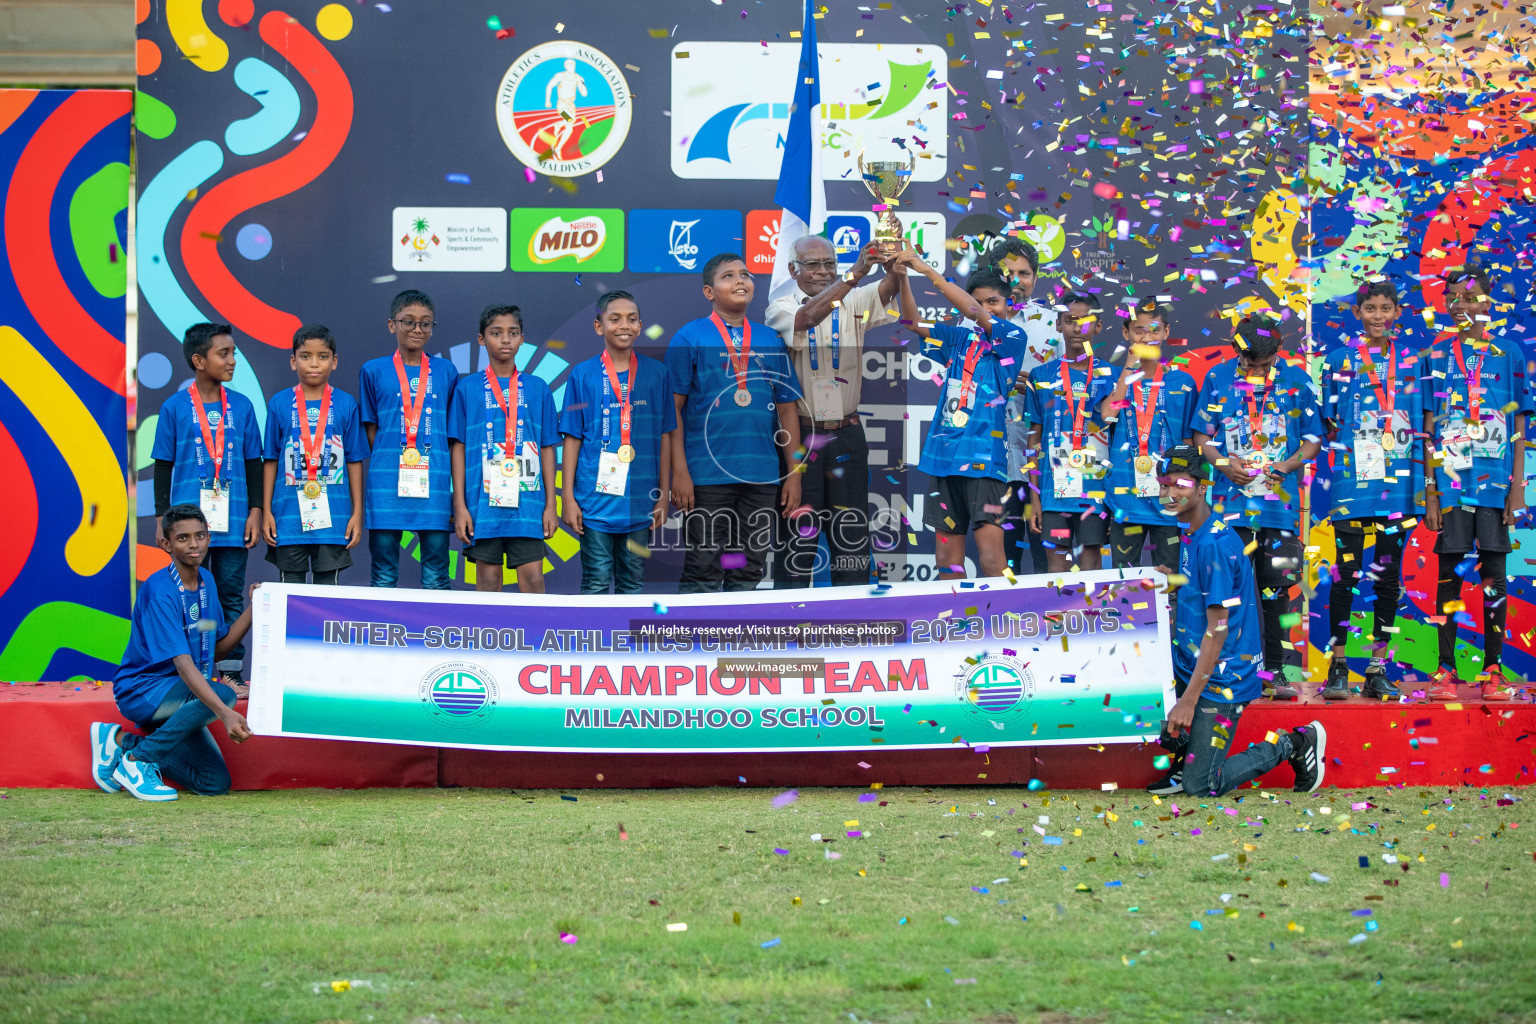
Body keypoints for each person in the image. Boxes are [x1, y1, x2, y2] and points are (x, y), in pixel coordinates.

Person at [1146, 446, 1326, 798]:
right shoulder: (1193, 531)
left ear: (1202, 487)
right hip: (1191, 666)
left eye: (1179, 485)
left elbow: (1218, 628)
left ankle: (1295, 743)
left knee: (1202, 786)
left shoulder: (1214, 543)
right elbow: (1205, 590)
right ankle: (1188, 752)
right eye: (1164, 486)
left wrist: (1188, 700)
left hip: (1223, 677)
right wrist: (1175, 581)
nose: (1169, 494)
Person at [1191, 313, 1323, 700]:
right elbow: (1203, 435)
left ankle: (1277, 671)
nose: (1253, 369)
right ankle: (1233, 669)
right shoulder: (1218, 378)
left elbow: (1313, 439)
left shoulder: (1296, 380)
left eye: (1262, 364)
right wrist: (1222, 465)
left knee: (1277, 590)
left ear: (1278, 353)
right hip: (1232, 505)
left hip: (1278, 507)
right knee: (1231, 589)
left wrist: (1287, 464)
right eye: (1247, 362)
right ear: (1236, 350)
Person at [90, 505, 255, 801]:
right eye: (183, 538)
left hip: (183, 698)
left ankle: (121, 743)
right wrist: (225, 713)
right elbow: (182, 664)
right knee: (225, 695)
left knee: (213, 782)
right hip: (144, 691)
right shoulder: (160, 590)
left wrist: (256, 608)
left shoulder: (207, 582)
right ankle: (137, 763)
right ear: (166, 544)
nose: (194, 544)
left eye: (201, 535)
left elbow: (215, 649)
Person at [765, 236, 901, 587]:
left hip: (846, 434)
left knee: (851, 539)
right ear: (793, 269)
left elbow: (887, 289)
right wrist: (855, 272)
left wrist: (892, 260)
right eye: (813, 264)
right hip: (802, 436)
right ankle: (789, 627)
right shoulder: (779, 306)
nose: (823, 272)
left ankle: (852, 629)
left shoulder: (854, 298)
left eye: (830, 264)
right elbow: (807, 317)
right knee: (797, 540)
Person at [1424, 266, 1531, 700]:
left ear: (1488, 302)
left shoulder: (1510, 354)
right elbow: (1430, 429)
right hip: (1450, 485)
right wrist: (1431, 491)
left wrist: (1518, 485)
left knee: (1494, 578)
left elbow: (1520, 422)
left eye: (1470, 298)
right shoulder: (1434, 356)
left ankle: (1493, 669)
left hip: (1492, 484)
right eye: (1453, 298)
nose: (1461, 306)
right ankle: (1445, 670)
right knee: (1448, 575)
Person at [667, 252, 803, 593]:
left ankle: (734, 642)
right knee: (703, 567)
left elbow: (787, 410)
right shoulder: (690, 337)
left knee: (748, 568)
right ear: (709, 292)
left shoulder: (771, 340)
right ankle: (692, 643)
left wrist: (794, 475)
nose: (740, 280)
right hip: (706, 474)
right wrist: (680, 473)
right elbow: (672, 412)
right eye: (728, 276)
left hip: (762, 475)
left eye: (745, 274)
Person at [894, 252, 1029, 580]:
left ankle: (1003, 628)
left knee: (992, 557)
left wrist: (925, 268)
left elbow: (974, 312)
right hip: (944, 458)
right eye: (980, 302)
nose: (987, 309)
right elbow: (911, 323)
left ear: (1009, 303)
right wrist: (902, 277)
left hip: (985, 460)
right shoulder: (959, 338)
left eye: (993, 302)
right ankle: (954, 627)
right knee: (946, 559)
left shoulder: (1011, 337)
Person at [1318, 278, 1420, 700]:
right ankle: (1338, 667)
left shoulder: (1412, 360)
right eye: (1370, 309)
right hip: (1352, 487)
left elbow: (1421, 422)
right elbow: (1329, 423)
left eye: (1385, 308)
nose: (1378, 316)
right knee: (1345, 575)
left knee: (1387, 579)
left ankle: (1377, 668)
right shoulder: (1338, 360)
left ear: (1397, 312)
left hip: (1398, 489)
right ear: (1357, 313)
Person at [149, 323, 263, 683]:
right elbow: (163, 463)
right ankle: (185, 672)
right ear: (199, 360)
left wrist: (256, 510)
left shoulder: (242, 407)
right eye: (223, 354)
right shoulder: (174, 407)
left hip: (232, 523)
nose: (232, 360)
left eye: (233, 353)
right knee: (187, 596)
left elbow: (253, 463)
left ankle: (229, 672)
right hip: (187, 528)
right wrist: (161, 518)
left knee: (229, 595)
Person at [561, 291, 677, 594]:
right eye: (615, 319)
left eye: (632, 319)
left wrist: (663, 495)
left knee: (632, 583)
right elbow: (572, 438)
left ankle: (629, 642)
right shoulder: (582, 375)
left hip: (639, 503)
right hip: (593, 502)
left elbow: (665, 436)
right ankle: (595, 641)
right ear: (599, 326)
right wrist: (569, 498)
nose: (624, 325)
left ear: (640, 326)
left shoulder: (657, 374)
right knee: (596, 581)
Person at [450, 305, 559, 594]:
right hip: (482, 503)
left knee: (534, 577)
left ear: (523, 338)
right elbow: (458, 448)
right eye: (496, 333)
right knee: (486, 580)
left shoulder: (538, 388)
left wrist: (551, 504)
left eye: (513, 333)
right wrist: (460, 506)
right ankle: (488, 638)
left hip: (528, 503)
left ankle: (535, 637)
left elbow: (548, 448)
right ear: (481, 339)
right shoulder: (467, 388)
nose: (505, 340)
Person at [359, 289, 460, 589]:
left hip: (435, 486)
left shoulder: (446, 371)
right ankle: (383, 635)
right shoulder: (373, 370)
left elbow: (452, 433)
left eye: (425, 323)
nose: (417, 329)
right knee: (383, 573)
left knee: (436, 575)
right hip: (387, 484)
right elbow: (372, 428)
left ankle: (437, 634)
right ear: (392, 325)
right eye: (409, 322)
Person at [980, 236, 1062, 576]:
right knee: (1002, 558)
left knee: (1049, 556)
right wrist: (997, 380)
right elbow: (958, 383)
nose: (1017, 280)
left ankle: (1057, 624)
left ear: (1036, 277)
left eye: (1025, 273)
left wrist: (1039, 387)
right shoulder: (975, 321)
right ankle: (1004, 626)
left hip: (1044, 461)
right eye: (1008, 272)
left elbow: (1075, 387)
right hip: (993, 457)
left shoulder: (1054, 324)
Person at [261, 325, 368, 583]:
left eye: (323, 356)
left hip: (335, 518)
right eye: (305, 355)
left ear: (334, 362)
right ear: (292, 360)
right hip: (287, 517)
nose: (314, 363)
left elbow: (354, 461)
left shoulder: (346, 404)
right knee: (290, 587)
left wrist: (356, 512)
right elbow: (271, 460)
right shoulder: (279, 403)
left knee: (327, 591)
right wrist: (266, 511)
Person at [1097, 299, 1198, 570]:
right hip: (1125, 498)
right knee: (1123, 583)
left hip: (1170, 499)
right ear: (1126, 333)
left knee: (1171, 583)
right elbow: (1107, 417)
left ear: (1166, 332)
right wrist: (1129, 366)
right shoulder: (1114, 376)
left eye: (1155, 330)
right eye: (1139, 330)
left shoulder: (1183, 382)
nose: (1147, 337)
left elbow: (1189, 444)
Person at [1024, 292, 1112, 573]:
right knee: (1056, 569)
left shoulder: (1113, 377)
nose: (1077, 327)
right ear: (1059, 325)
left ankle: (1088, 618)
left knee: (1089, 567)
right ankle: (1057, 618)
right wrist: (1035, 497)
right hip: (1052, 494)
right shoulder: (1041, 376)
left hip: (1096, 494)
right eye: (1069, 320)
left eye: (1085, 321)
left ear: (1098, 326)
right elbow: (1033, 440)